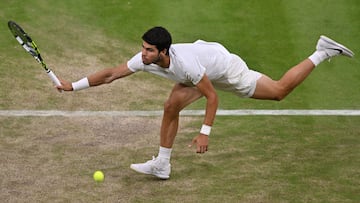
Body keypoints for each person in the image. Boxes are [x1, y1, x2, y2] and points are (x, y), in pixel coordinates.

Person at [57, 26, 354, 180]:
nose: (142, 54)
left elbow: (213, 96)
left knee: (278, 91)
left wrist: (204, 132)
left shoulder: (184, 65)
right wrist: (73, 86)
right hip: (204, 62)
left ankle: (323, 51)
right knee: (170, 106)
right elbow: (110, 75)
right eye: (142, 48)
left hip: (224, 69)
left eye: (148, 50)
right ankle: (162, 165)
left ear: (163, 51)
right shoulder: (146, 59)